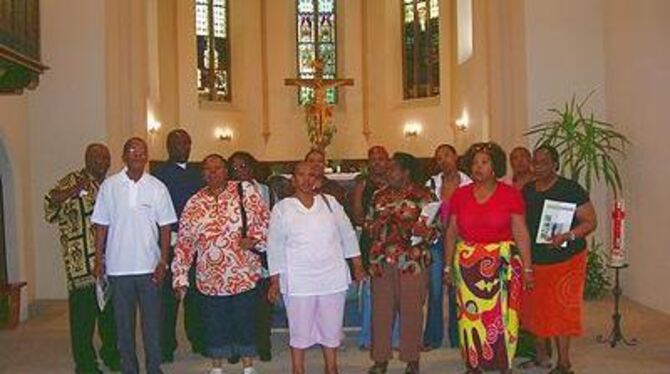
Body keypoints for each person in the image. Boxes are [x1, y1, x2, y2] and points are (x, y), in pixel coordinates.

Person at [172, 154, 269, 374]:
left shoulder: (245, 192)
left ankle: (248, 365)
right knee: (215, 324)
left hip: (242, 273)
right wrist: (180, 277)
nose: (213, 172)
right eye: (207, 168)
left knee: (245, 321)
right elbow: (185, 243)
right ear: (202, 173)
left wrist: (254, 240)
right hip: (210, 277)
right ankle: (217, 366)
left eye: (218, 167)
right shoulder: (194, 202)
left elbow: (265, 222)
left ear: (226, 171)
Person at [266, 162, 366, 374]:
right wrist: (274, 280)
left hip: (332, 276)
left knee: (331, 328)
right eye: (300, 175)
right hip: (299, 279)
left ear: (318, 180)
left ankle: (331, 368)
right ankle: (298, 369)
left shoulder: (330, 203)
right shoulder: (282, 208)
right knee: (299, 331)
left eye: (311, 175)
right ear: (293, 179)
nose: (306, 179)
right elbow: (274, 246)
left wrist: (357, 265)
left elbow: (347, 233)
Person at [443, 142, 533, 374]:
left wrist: (528, 268)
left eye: (484, 162)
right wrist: (446, 266)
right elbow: (451, 231)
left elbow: (521, 231)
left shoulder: (510, 194)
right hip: (467, 265)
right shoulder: (461, 195)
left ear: (495, 167)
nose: (478, 167)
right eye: (474, 163)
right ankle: (474, 363)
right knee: (470, 317)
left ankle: (503, 363)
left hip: (503, 263)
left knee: (502, 316)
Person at [92, 137, 177, 374]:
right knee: (123, 326)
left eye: (142, 152)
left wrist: (163, 260)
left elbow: (166, 227)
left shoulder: (157, 187)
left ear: (147, 156)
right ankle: (130, 368)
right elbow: (101, 225)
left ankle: (153, 367)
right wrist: (98, 259)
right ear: (123, 156)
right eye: (132, 151)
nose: (137, 155)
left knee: (152, 324)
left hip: (149, 267)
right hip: (118, 269)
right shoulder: (110, 186)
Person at [521, 144, 597, 374]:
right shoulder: (527, 190)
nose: (538, 167)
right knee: (535, 309)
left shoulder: (570, 189)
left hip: (566, 259)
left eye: (544, 162)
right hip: (536, 260)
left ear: (555, 163)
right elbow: (521, 223)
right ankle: (541, 357)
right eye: (535, 162)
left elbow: (590, 222)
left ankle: (564, 364)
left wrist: (569, 235)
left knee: (561, 310)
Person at [44, 143, 120, 374]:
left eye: (106, 158)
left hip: (110, 264)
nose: (103, 162)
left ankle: (112, 355)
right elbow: (50, 205)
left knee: (110, 318)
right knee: (83, 322)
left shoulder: (111, 186)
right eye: (98, 158)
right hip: (81, 267)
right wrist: (75, 189)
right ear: (87, 158)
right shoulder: (71, 180)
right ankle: (85, 365)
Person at [367, 152, 435, 374]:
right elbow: (368, 225)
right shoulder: (379, 195)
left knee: (412, 311)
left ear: (406, 172)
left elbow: (436, 231)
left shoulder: (424, 195)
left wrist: (423, 231)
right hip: (382, 260)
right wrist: (378, 224)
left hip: (412, 261)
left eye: (392, 168)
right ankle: (380, 359)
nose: (388, 172)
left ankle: (411, 358)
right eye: (387, 169)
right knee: (381, 310)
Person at [151, 129, 205, 361]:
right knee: (167, 299)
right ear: (168, 146)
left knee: (196, 296)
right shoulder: (158, 175)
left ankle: (198, 340)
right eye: (175, 143)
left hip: (196, 245)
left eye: (185, 142)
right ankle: (166, 346)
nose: (181, 146)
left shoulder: (199, 173)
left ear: (191, 145)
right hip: (170, 244)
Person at [422, 144, 472, 352]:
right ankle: (432, 337)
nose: (443, 160)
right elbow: (424, 212)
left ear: (456, 157)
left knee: (456, 289)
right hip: (435, 240)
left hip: (461, 240)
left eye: (447, 155)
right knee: (434, 289)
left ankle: (457, 336)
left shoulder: (468, 183)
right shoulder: (431, 184)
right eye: (438, 157)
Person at [350, 146, 399, 350]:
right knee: (372, 294)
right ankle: (367, 337)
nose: (378, 162)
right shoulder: (364, 184)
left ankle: (395, 338)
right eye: (373, 159)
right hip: (373, 243)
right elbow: (358, 218)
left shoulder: (397, 182)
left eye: (381, 158)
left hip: (397, 244)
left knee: (397, 293)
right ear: (369, 163)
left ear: (388, 161)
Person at [228, 151, 273, 363]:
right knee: (237, 305)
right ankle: (237, 347)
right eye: (234, 169)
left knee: (262, 304)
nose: (239, 172)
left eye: (243, 167)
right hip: (235, 255)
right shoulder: (226, 192)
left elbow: (273, 221)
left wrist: (257, 240)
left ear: (252, 168)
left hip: (261, 252)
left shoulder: (265, 191)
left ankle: (263, 344)